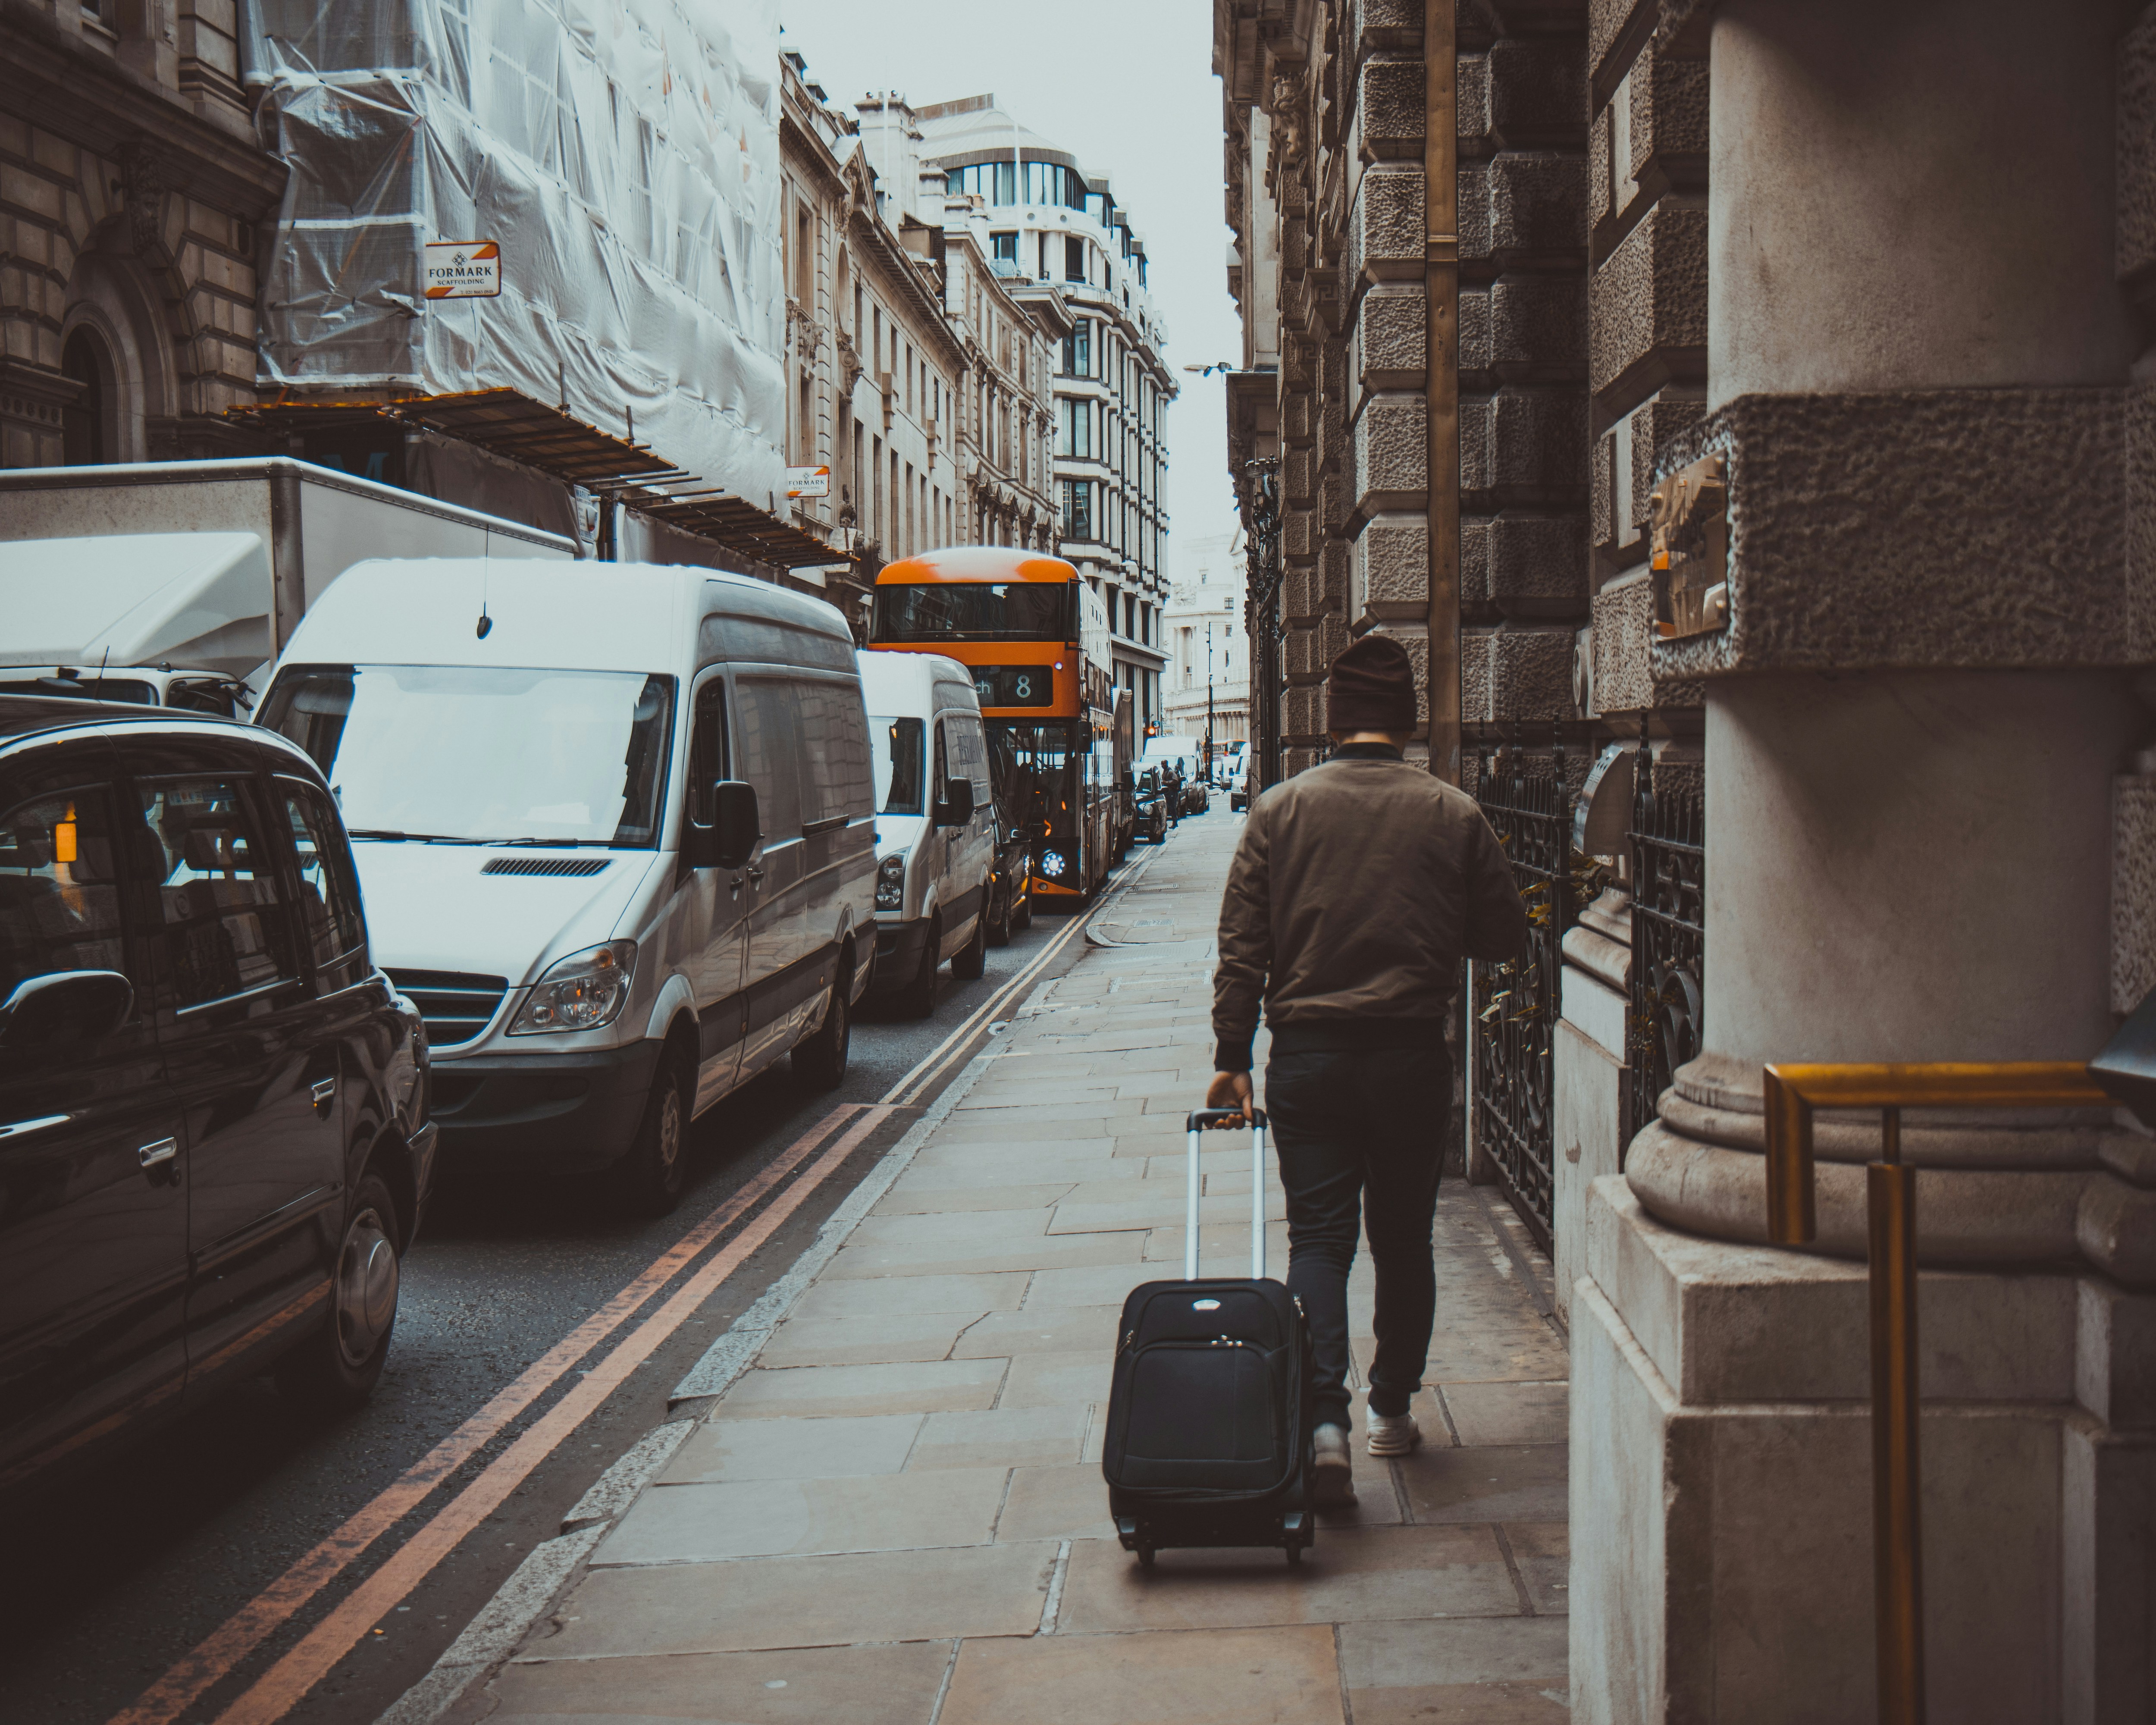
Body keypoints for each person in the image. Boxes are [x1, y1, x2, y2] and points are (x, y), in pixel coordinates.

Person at [1207, 634, 1527, 1506]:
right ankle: (1390, 1408)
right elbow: (1502, 937)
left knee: (1318, 1240)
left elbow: (1242, 947)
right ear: (1407, 718)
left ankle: (1322, 1426)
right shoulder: (1452, 812)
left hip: (1306, 1060)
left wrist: (1231, 1057)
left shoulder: (1278, 810)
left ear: (1331, 716)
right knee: (1401, 1237)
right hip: (1408, 1059)